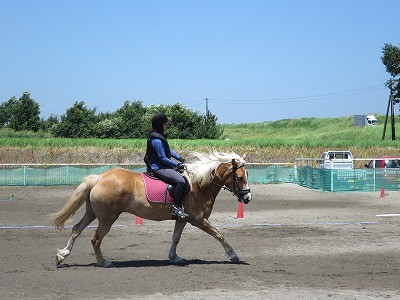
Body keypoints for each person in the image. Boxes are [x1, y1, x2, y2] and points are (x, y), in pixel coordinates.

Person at [144, 113, 188, 219]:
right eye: (165, 124)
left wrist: (179, 158)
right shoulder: (157, 140)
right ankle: (177, 208)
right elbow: (162, 157)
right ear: (160, 125)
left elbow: (168, 151)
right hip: (158, 167)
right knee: (180, 181)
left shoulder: (159, 135)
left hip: (163, 165)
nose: (166, 126)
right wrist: (177, 164)